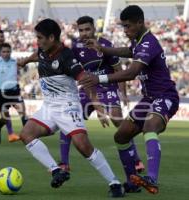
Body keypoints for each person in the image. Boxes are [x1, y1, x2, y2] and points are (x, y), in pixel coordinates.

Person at [19, 18, 124, 197]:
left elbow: (86, 80)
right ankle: (56, 170)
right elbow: (37, 56)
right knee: (26, 134)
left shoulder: (67, 57)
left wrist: (98, 107)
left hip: (68, 107)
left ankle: (114, 182)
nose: (38, 41)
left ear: (52, 38)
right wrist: (25, 61)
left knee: (83, 146)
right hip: (49, 107)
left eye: (40, 37)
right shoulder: (43, 50)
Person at [80, 5, 179, 194]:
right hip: (149, 99)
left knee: (150, 126)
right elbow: (127, 51)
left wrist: (98, 78)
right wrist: (102, 48)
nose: (125, 31)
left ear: (140, 23)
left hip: (165, 96)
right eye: (123, 27)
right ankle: (132, 182)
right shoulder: (139, 41)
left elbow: (132, 72)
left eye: (128, 26)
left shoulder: (149, 42)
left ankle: (152, 179)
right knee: (121, 135)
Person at [58, 16, 144, 174]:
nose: (84, 33)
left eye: (87, 29)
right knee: (69, 121)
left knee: (119, 121)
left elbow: (119, 71)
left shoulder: (105, 45)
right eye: (81, 30)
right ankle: (64, 163)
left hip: (107, 87)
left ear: (94, 29)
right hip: (87, 89)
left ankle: (136, 159)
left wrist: (123, 94)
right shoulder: (75, 47)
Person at [0, 43, 26, 144]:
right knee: (5, 118)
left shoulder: (15, 62)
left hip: (15, 92)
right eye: (4, 51)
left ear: (10, 52)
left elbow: (22, 70)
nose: (6, 53)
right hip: (1, 94)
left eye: (8, 51)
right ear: (0, 52)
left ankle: (29, 137)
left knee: (23, 114)